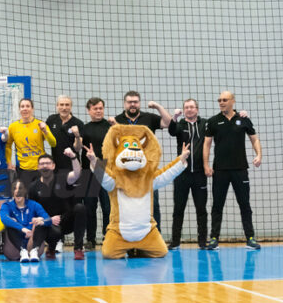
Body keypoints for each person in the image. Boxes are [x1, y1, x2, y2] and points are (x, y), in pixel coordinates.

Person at [203, 91, 262, 250]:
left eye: (224, 100)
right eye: (219, 100)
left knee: (245, 204)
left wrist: (259, 155)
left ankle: (250, 238)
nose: (221, 102)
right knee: (217, 205)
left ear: (232, 101)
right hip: (220, 170)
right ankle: (214, 239)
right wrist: (206, 165)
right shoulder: (213, 121)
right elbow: (207, 144)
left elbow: (254, 138)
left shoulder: (243, 119)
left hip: (240, 169)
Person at [111, 91, 172, 230]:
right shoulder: (117, 120)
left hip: (147, 170)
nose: (132, 104)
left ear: (139, 103)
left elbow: (169, 123)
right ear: (124, 104)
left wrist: (158, 106)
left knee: (152, 204)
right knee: (126, 205)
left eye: (135, 102)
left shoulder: (149, 118)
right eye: (129, 102)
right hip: (125, 171)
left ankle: (155, 234)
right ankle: (129, 237)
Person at [28, 152, 87, 260]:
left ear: (53, 166)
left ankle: (78, 248)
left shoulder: (63, 179)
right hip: (49, 225)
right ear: (38, 167)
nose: (45, 166)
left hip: (67, 221)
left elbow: (77, 174)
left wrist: (73, 157)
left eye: (47, 163)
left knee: (80, 208)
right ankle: (51, 248)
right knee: (47, 227)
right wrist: (48, 220)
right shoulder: (33, 187)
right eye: (42, 164)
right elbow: (32, 212)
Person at [167, 99, 208, 249]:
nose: (189, 109)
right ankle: (175, 241)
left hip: (199, 174)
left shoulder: (205, 124)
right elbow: (172, 131)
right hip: (181, 174)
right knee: (178, 209)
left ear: (197, 109)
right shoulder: (180, 124)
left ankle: (202, 241)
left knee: (201, 209)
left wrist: (240, 115)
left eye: (192, 107)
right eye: (186, 107)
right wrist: (174, 117)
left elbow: (220, 125)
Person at [80, 97, 111, 249]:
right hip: (88, 172)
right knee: (89, 208)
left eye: (100, 108)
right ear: (89, 111)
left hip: (106, 171)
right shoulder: (84, 128)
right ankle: (90, 239)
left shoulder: (111, 127)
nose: (98, 111)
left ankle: (108, 237)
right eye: (95, 109)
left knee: (108, 207)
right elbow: (77, 147)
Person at [6, 98, 56, 188]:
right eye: (22, 106)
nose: (25, 109)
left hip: (40, 168)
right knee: (25, 195)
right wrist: (9, 162)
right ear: (19, 109)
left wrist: (45, 131)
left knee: (43, 194)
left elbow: (53, 144)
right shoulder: (13, 127)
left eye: (28, 106)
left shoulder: (40, 124)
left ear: (32, 109)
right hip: (23, 170)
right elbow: (7, 146)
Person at [0, 180, 52, 263]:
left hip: (33, 242)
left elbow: (48, 219)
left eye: (20, 188)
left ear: (25, 191)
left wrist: (41, 221)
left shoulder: (34, 205)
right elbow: (4, 218)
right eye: (15, 189)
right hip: (15, 246)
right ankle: (23, 251)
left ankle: (34, 251)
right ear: (12, 192)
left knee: (42, 223)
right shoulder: (7, 205)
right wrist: (23, 229)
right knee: (10, 224)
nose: (17, 191)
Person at [46, 95, 83, 172]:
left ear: (71, 107)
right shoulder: (51, 120)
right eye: (61, 105)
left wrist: (77, 136)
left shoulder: (78, 123)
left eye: (67, 105)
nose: (64, 108)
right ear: (57, 106)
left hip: (72, 165)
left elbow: (77, 148)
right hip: (55, 165)